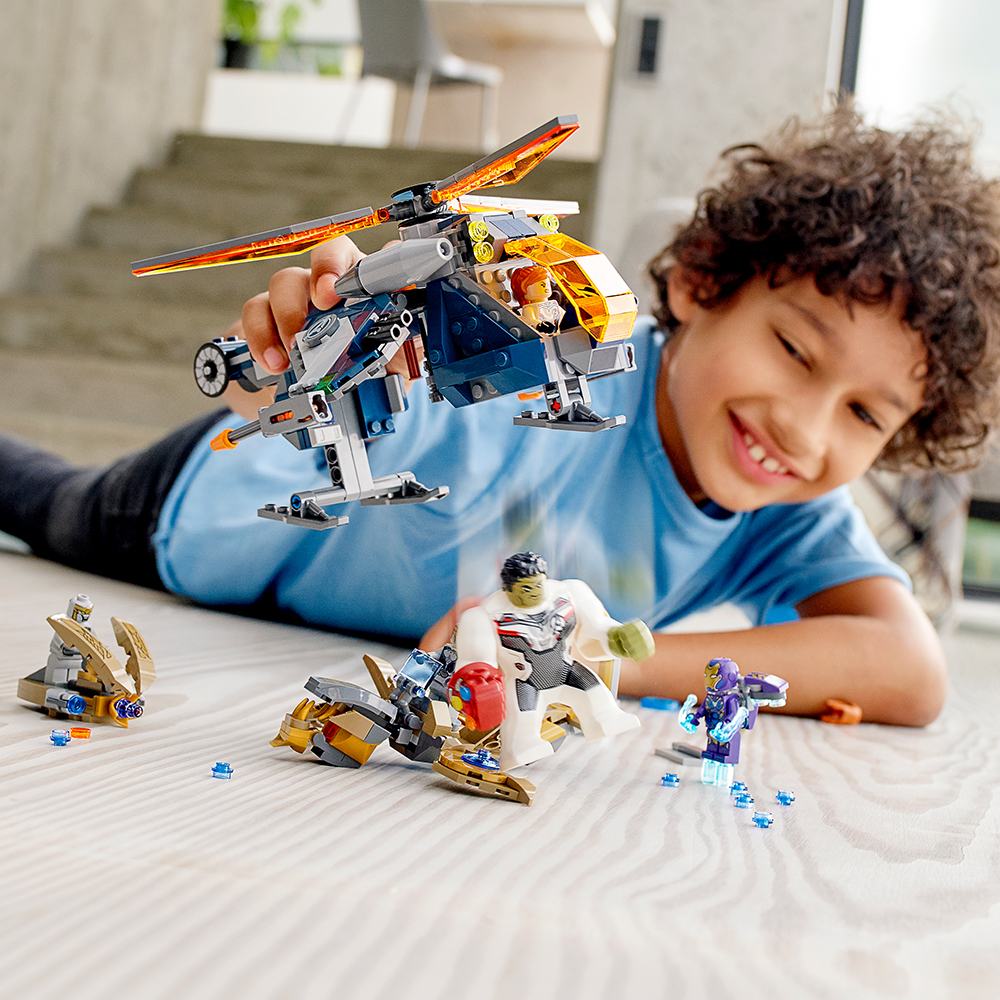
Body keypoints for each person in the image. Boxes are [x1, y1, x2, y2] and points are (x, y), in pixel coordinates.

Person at [3, 107, 999, 726]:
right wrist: (310, 341)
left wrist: (596, 649)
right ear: (700, 283)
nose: (805, 431)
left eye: (866, 413)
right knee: (39, 501)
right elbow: (296, 395)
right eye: (793, 350)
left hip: (311, 638)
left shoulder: (778, 504)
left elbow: (907, 668)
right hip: (203, 525)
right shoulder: (530, 345)